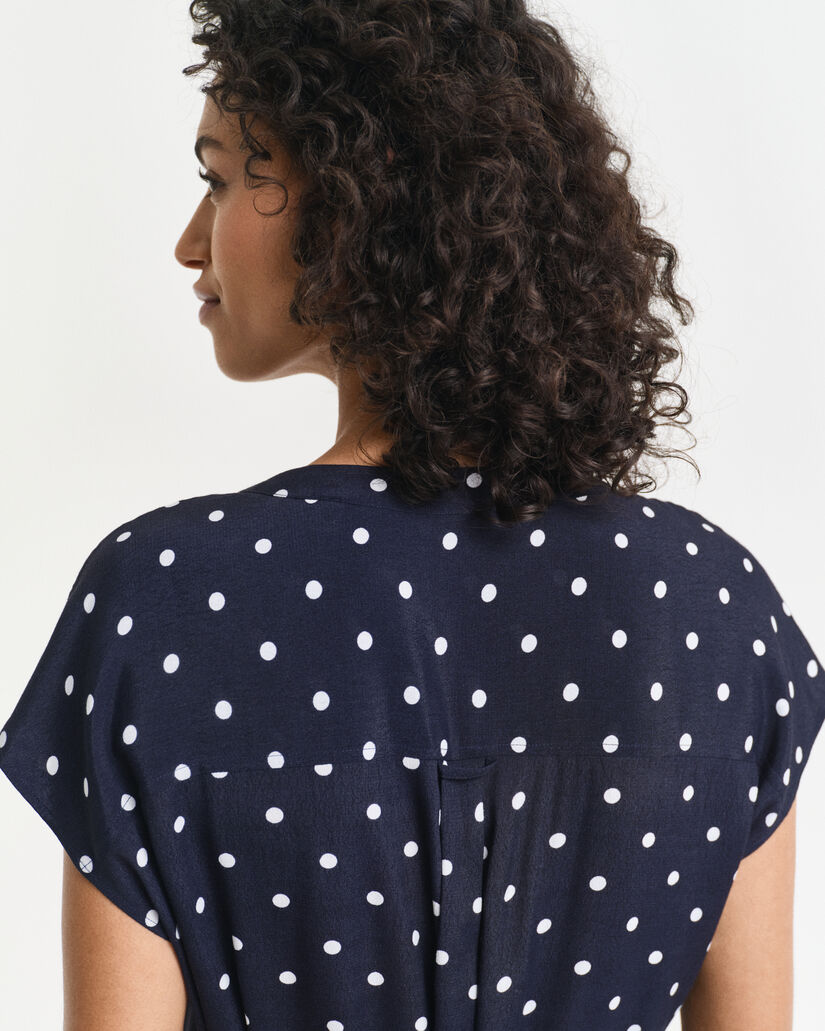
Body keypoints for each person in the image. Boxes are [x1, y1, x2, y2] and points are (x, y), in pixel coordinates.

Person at [0, 2, 822, 1029]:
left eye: (220, 179)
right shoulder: (711, 609)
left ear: (357, 199)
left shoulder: (163, 602)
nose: (188, 242)